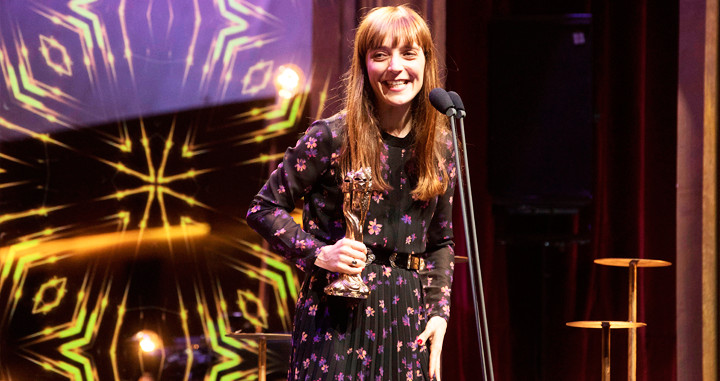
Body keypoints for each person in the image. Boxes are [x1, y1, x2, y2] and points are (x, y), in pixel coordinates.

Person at [247, 5, 455, 380]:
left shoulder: (441, 147)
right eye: (380, 55)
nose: (396, 67)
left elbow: (441, 242)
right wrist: (319, 253)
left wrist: (439, 313)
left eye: (408, 53)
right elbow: (263, 208)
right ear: (364, 66)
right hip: (336, 312)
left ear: (426, 63)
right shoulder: (331, 136)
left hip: (407, 314)